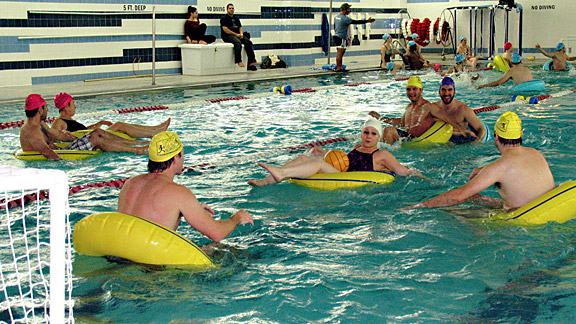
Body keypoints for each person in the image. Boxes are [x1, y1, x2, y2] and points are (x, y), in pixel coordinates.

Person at [118, 131, 253, 242]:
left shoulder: (130, 183)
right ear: (176, 157)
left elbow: (148, 216)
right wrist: (237, 218)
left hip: (118, 255)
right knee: (226, 251)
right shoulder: (178, 192)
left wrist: (188, 210)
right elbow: (217, 234)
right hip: (151, 267)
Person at [404, 112, 555, 210]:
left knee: (452, 210)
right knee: (474, 198)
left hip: (519, 219)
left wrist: (420, 205)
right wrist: (484, 169)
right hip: (549, 207)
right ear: (520, 134)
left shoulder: (498, 168)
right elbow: (515, 170)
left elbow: (458, 196)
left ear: (496, 136)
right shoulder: (536, 154)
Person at [248, 118, 422, 187]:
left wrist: (422, 177)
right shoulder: (355, 147)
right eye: (365, 132)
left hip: (349, 178)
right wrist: (323, 152)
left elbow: (402, 171)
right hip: (341, 172)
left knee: (316, 164)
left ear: (379, 137)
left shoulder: (382, 154)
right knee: (303, 157)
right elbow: (343, 161)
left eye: (373, 134)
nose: (368, 137)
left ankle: (282, 173)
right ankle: (266, 181)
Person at [20, 94, 148, 161]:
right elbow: (47, 153)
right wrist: (67, 163)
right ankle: (137, 150)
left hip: (63, 148)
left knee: (97, 132)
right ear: (40, 111)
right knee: (95, 138)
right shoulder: (31, 131)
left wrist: (69, 138)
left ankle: (137, 144)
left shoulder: (39, 125)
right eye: (45, 107)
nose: (48, 109)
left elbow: (57, 135)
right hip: (64, 155)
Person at [51, 92, 170, 138]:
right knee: (119, 125)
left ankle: (155, 129)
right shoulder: (59, 122)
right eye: (73, 104)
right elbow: (56, 138)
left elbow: (82, 130)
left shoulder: (68, 120)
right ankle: (152, 133)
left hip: (90, 135)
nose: (75, 107)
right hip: (91, 139)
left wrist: (100, 123)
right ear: (66, 107)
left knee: (125, 125)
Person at [369, 77, 437, 144]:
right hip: (408, 139)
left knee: (388, 131)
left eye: (414, 89)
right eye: (408, 89)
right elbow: (401, 123)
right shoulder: (409, 107)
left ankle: (382, 153)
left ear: (421, 90)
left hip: (417, 141)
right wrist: (380, 117)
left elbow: (445, 116)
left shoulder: (428, 106)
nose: (411, 92)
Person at [429, 77, 487, 144]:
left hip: (459, 143)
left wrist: (475, 143)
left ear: (454, 92)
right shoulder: (433, 108)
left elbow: (481, 129)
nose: (446, 93)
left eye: (450, 90)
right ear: (439, 92)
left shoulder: (463, 109)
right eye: (443, 90)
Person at [333, 3, 375, 72]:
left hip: (337, 36)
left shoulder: (336, 17)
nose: (349, 10)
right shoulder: (345, 18)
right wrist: (367, 21)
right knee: (341, 53)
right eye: (348, 9)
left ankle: (339, 66)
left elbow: (335, 26)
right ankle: (339, 67)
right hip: (342, 37)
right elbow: (356, 22)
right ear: (344, 9)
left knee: (339, 52)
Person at [220, 3, 259, 70]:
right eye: (230, 8)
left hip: (237, 35)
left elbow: (240, 27)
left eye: (232, 8)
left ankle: (252, 61)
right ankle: (238, 61)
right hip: (227, 36)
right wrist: (236, 34)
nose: (231, 10)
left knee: (248, 42)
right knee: (237, 42)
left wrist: (241, 34)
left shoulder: (236, 18)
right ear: (227, 10)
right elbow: (225, 29)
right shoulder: (224, 18)